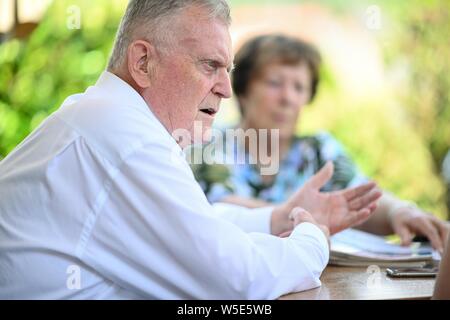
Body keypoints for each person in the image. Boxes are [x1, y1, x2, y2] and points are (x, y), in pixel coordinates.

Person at [0, 0, 380, 299]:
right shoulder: (128, 139)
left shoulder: (105, 116)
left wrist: (280, 218)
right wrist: (313, 238)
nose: (226, 89)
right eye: (209, 65)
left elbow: (193, 224)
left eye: (227, 69)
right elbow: (235, 282)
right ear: (143, 62)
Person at [192, 34, 449, 252]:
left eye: (299, 87)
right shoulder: (211, 144)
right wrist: (310, 217)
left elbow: (358, 197)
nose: (288, 98)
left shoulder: (318, 148)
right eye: (274, 83)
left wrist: (399, 212)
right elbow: (222, 210)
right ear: (243, 90)